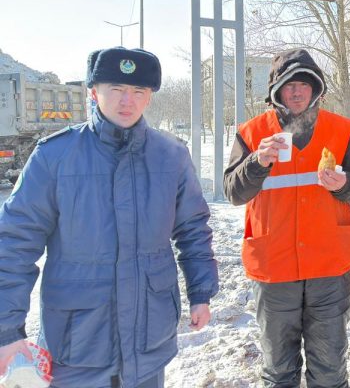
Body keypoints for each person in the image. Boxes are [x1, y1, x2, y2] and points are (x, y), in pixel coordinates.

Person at [0, 47, 219, 388]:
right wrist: (7, 330)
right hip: (77, 342)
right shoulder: (55, 156)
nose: (126, 101)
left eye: (138, 92)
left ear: (149, 97)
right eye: (115, 89)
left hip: (150, 337)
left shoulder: (172, 156)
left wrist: (201, 290)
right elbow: (13, 241)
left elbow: (192, 228)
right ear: (93, 92)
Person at [223, 48, 350, 388]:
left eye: (305, 84)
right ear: (277, 91)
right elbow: (233, 192)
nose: (297, 91)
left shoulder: (340, 129)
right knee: (279, 371)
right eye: (289, 85)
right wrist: (256, 163)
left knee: (330, 371)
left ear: (316, 89)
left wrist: (345, 184)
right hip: (275, 269)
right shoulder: (252, 132)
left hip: (329, 267)